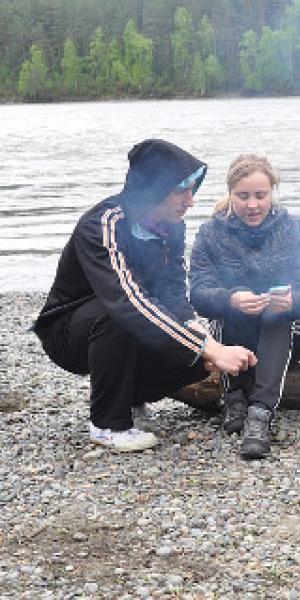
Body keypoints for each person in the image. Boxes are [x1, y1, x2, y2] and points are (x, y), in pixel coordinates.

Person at [32, 139, 257, 452]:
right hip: (72, 332)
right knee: (120, 315)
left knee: (196, 358)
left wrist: (206, 345)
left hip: (129, 320)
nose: (190, 201)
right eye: (181, 189)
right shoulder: (105, 224)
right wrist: (208, 347)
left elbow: (175, 294)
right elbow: (127, 301)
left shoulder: (172, 227)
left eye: (193, 188)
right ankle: (108, 424)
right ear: (152, 188)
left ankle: (130, 398)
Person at [189, 155, 300, 460]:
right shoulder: (211, 232)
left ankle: (260, 414)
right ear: (230, 194)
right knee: (225, 312)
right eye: (243, 196)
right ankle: (232, 395)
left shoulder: (293, 228)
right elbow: (197, 294)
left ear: (272, 192)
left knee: (275, 313)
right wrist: (231, 299)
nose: (252, 205)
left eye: (260, 196)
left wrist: (293, 300)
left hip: (287, 332)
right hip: (234, 331)